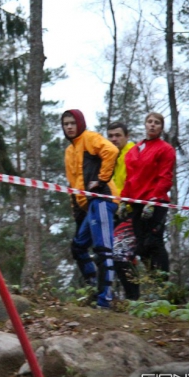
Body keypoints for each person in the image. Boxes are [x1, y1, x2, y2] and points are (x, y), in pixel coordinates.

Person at [62, 110, 120, 309]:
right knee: (78, 247)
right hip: (88, 206)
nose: (69, 126)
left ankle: (106, 299)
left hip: (103, 199)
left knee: (103, 249)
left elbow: (111, 151)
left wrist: (102, 180)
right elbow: (73, 183)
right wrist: (77, 211)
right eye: (65, 124)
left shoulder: (90, 138)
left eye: (72, 123)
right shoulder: (70, 151)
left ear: (80, 123)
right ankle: (94, 288)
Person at [120, 112, 175, 280]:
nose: (152, 125)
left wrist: (153, 201)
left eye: (156, 122)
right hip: (136, 203)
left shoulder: (165, 149)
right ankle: (154, 282)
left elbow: (165, 177)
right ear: (145, 124)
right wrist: (123, 200)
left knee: (154, 242)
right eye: (149, 122)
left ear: (161, 127)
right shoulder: (134, 150)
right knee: (141, 246)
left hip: (155, 203)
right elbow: (130, 179)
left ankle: (165, 286)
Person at [107, 122, 140, 300]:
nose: (114, 139)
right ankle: (131, 297)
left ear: (127, 136)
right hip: (117, 211)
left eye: (118, 135)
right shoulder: (112, 156)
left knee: (120, 255)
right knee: (120, 256)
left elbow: (134, 181)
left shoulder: (133, 152)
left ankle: (133, 297)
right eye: (110, 135)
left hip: (132, 210)